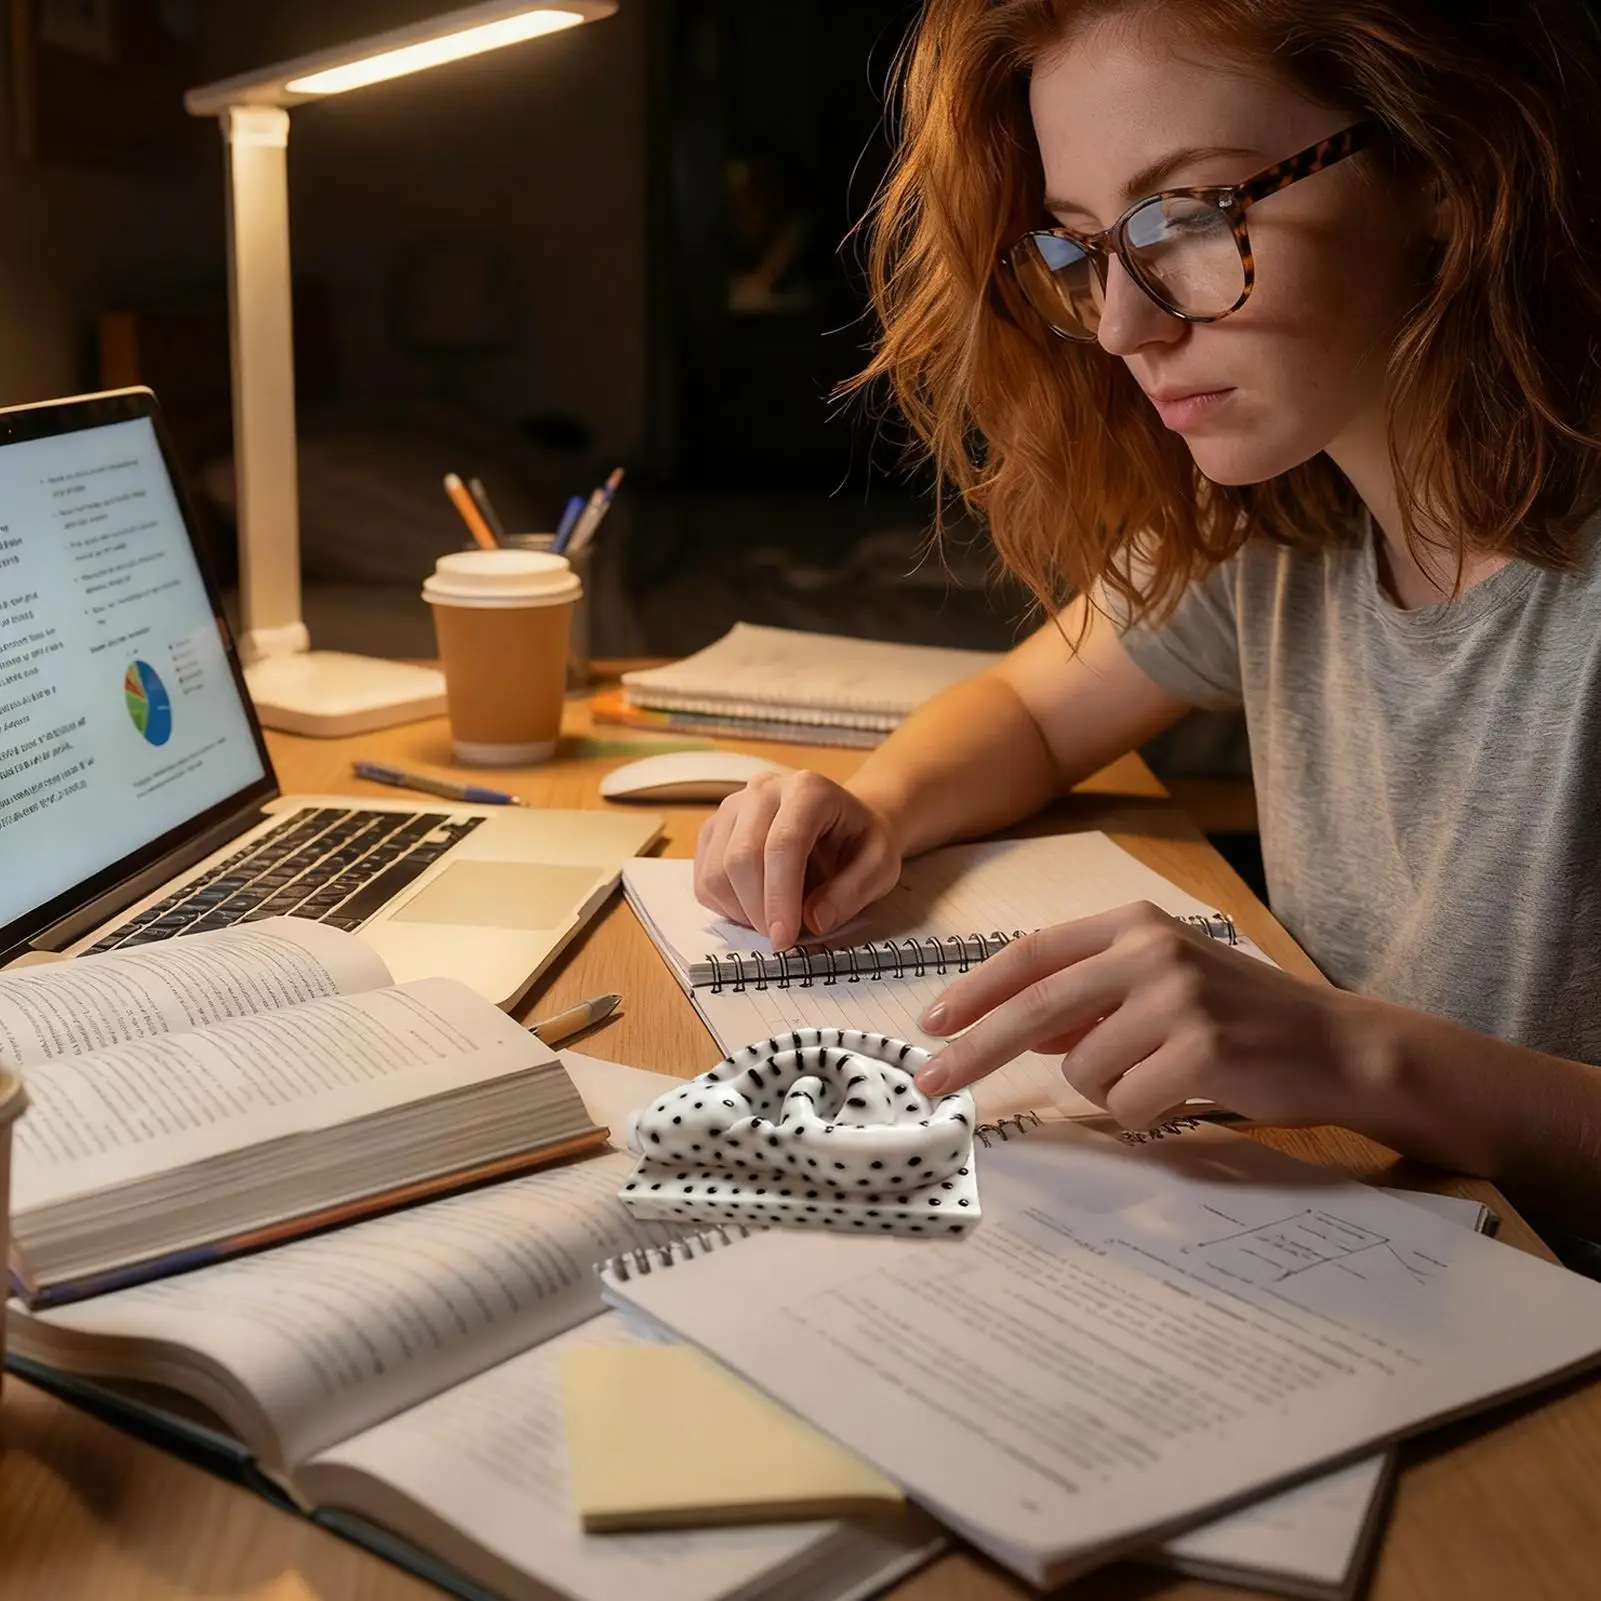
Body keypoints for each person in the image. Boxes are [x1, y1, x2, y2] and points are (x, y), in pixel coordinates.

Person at [693, 0, 1601, 1231]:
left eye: (1186, 218)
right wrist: (873, 807)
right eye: (1080, 249)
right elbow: (1025, 704)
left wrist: (1358, 1059)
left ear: (1441, 165)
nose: (1122, 326)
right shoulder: (1284, 527)